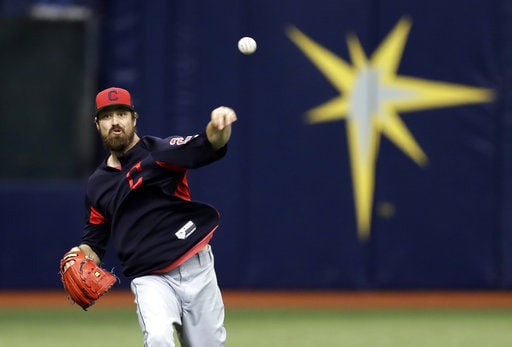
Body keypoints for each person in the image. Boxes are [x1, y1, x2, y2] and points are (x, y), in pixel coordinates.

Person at [66, 86, 236, 346]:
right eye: (107, 116)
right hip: (150, 279)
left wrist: (220, 125)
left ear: (134, 119)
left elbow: (207, 144)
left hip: (196, 268)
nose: (115, 122)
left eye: (121, 114)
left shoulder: (160, 152)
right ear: (97, 123)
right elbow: (95, 240)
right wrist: (79, 254)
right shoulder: (97, 184)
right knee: (157, 338)